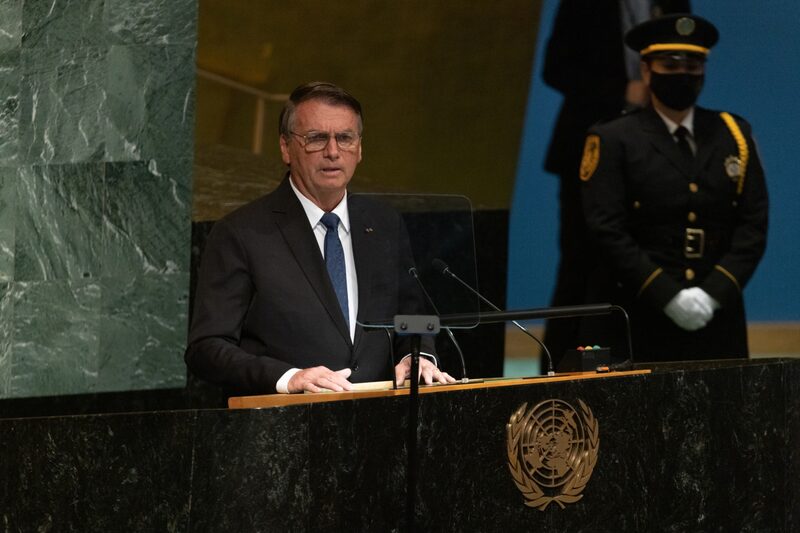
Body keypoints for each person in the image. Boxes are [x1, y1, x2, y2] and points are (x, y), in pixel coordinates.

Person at [185, 82, 455, 394]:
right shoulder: (241, 233)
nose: (332, 152)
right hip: (286, 427)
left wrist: (416, 355)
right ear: (286, 148)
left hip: (379, 423)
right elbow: (206, 348)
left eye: (345, 138)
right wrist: (289, 378)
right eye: (316, 139)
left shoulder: (383, 224)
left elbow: (414, 316)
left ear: (360, 148)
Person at [578, 14, 768, 361]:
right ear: (647, 72)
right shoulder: (613, 138)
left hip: (717, 316)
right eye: (670, 64)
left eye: (694, 65)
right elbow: (606, 228)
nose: (683, 74)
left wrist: (712, 293)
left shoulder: (733, 135)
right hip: (639, 313)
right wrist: (667, 294)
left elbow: (753, 225)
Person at [540, 0, 690, 366]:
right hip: (587, 146)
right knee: (579, 263)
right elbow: (555, 68)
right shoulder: (584, 6)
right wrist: (623, 90)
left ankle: (642, 364)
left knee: (654, 257)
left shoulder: (673, 1)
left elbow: (686, 62)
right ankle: (556, 370)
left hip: (654, 146)